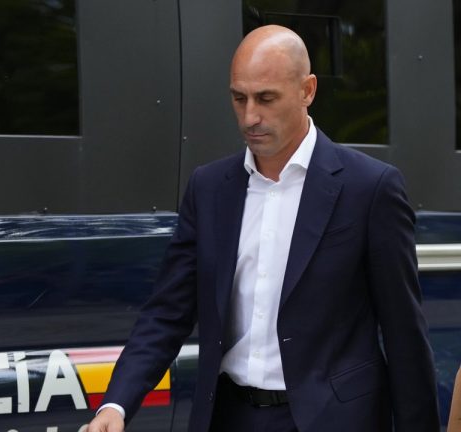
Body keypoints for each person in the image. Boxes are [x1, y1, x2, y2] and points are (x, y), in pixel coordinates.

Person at [87, 25, 440, 432]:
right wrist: (115, 404)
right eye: (239, 99)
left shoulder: (370, 188)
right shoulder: (209, 188)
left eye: (266, 98)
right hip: (229, 415)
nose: (250, 116)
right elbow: (168, 312)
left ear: (307, 90)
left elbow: (404, 334)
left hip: (334, 419)